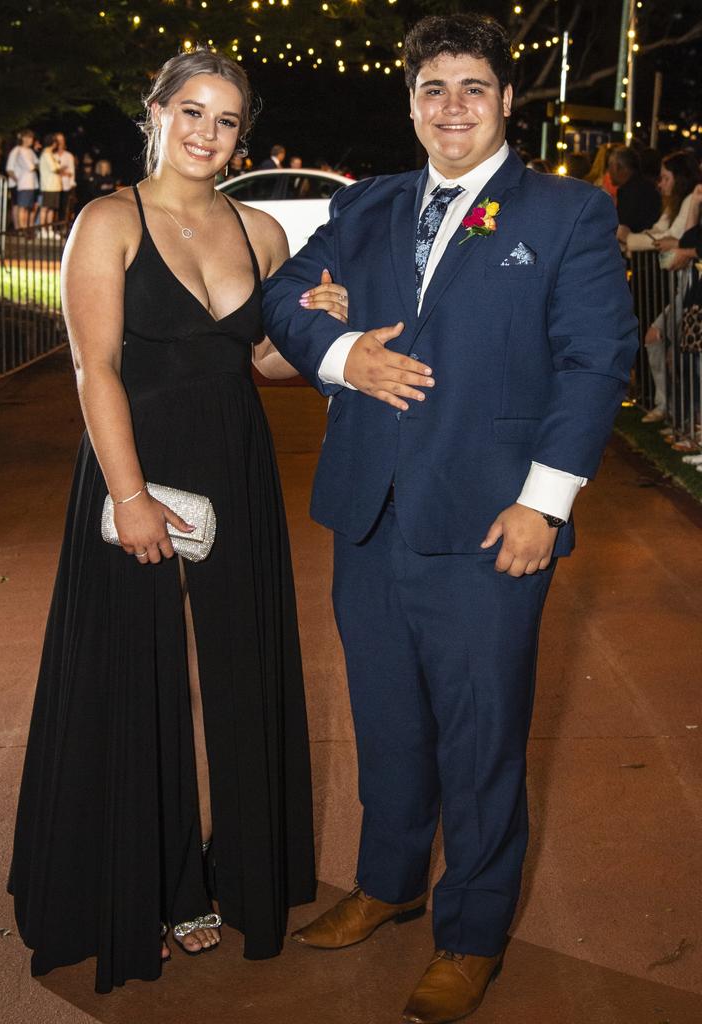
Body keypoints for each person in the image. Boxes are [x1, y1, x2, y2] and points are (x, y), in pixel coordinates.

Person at [262, 13, 637, 1023]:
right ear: (412, 103)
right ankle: (388, 884)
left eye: (473, 86)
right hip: (369, 512)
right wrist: (345, 358)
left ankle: (469, 933)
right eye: (434, 88)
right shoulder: (373, 204)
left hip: (490, 524)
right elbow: (289, 293)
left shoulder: (565, 213)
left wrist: (543, 505)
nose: (453, 106)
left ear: (508, 100)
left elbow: (596, 362)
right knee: (387, 719)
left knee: (481, 740)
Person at [8, 48, 346, 994]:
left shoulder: (262, 231)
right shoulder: (107, 221)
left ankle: (239, 875)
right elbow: (95, 367)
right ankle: (137, 889)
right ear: (153, 113)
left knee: (245, 663)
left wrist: (317, 323)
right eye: (190, 111)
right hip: (135, 466)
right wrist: (127, 494)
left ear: (244, 133)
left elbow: (265, 362)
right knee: (134, 675)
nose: (206, 132)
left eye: (226, 119)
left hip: (235, 468)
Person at [621, 151, 701, 423]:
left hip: (690, 289)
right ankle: (673, 411)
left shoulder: (690, 199)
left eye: (666, 178)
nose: (660, 184)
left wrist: (636, 240)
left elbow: (676, 242)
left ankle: (681, 416)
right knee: (667, 346)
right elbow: (660, 235)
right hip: (683, 289)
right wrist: (650, 242)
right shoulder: (676, 204)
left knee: (678, 350)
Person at [609, 145, 661, 233]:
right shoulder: (644, 187)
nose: (609, 171)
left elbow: (624, 228)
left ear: (620, 168)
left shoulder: (631, 193)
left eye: (610, 166)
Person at [5, 129, 38, 229]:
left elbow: (37, 164)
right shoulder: (17, 150)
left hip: (28, 183)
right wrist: (17, 180)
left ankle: (21, 227)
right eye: (28, 137)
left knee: (23, 206)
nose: (30, 140)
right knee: (18, 206)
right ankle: (18, 227)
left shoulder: (30, 151)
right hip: (18, 183)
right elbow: (9, 169)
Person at [38, 133, 63, 232]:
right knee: (45, 208)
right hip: (49, 185)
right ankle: (43, 229)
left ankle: (49, 229)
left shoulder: (50, 154)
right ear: (53, 143)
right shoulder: (46, 154)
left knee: (51, 208)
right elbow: (54, 168)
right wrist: (60, 167)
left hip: (53, 186)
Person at [55, 132, 76, 223]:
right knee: (54, 209)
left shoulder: (69, 155)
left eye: (62, 140)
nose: (60, 142)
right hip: (54, 186)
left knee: (65, 208)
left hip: (66, 186)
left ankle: (63, 228)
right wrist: (63, 171)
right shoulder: (51, 155)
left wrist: (59, 172)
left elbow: (71, 172)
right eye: (58, 140)